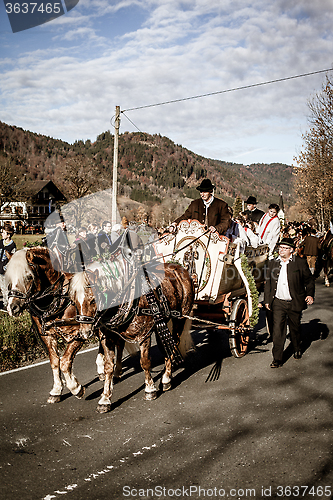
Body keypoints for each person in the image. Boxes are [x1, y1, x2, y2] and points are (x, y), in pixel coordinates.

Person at [264, 238, 315, 368]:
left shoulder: (300, 263)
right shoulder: (272, 263)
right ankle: (277, 359)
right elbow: (268, 283)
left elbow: (309, 281)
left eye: (284, 248)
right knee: (277, 331)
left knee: (295, 328)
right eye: (280, 247)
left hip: (294, 302)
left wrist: (309, 294)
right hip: (278, 302)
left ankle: (297, 347)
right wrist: (267, 300)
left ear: (291, 250)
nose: (281, 250)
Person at [0, 225, 16, 311]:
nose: (2, 234)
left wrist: (6, 269)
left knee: (5, 288)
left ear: (8, 235)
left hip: (4, 271)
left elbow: (12, 259)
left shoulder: (12, 246)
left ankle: (6, 304)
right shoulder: (0, 242)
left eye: (3, 233)